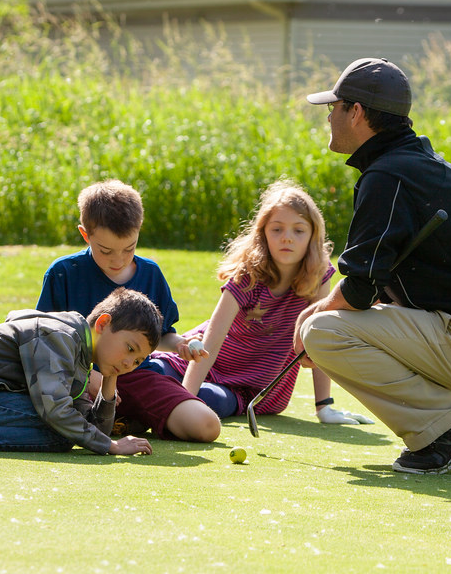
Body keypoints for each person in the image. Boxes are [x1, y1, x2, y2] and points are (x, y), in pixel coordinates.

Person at [294, 57, 451, 474]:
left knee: (322, 331)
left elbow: (359, 288)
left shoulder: (388, 174)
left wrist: (309, 316)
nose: (329, 117)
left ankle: (443, 427)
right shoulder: (417, 164)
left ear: (356, 112)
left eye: (333, 108)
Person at [145, 180, 372, 425]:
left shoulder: (318, 275)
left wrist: (323, 407)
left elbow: (318, 338)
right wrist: (187, 397)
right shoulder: (247, 276)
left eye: (298, 230)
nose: (287, 238)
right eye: (277, 229)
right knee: (151, 374)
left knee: (211, 401)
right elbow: (212, 340)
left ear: (312, 236)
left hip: (251, 393)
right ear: (263, 233)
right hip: (196, 365)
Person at [36, 179, 221, 442]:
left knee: (206, 426)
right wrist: (88, 378)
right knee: (53, 426)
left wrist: (180, 343)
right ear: (85, 235)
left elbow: (161, 336)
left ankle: (125, 420)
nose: (119, 260)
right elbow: (43, 341)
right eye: (106, 250)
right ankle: (117, 422)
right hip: (75, 383)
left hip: (136, 377)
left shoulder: (151, 274)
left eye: (129, 248)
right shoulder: (63, 272)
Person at [0, 287, 162, 456]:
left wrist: (109, 380)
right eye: (129, 348)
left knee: (68, 431)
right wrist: (111, 446)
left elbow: (92, 428)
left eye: (137, 361)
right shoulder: (60, 337)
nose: (130, 363)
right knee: (61, 432)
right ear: (103, 324)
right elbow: (55, 410)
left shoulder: (81, 356)